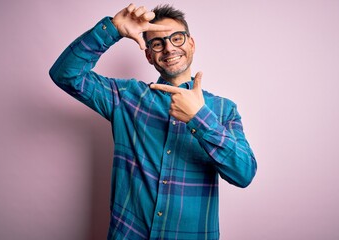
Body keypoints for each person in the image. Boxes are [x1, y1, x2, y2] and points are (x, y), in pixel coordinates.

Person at [49, 3, 257, 239]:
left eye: (177, 38)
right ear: (149, 55)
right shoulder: (125, 96)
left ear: (191, 43)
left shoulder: (223, 110)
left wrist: (199, 118)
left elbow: (244, 174)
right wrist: (113, 29)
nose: (169, 48)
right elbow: (65, 75)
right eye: (158, 43)